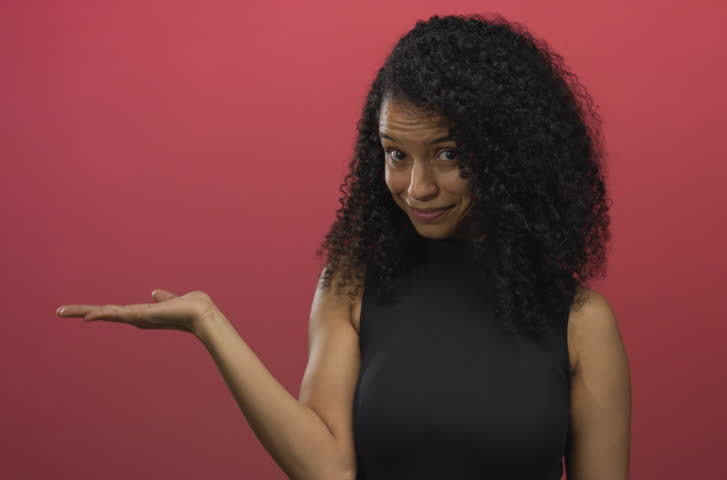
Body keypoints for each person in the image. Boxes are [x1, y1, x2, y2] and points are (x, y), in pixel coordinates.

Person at [56, 13, 631, 480]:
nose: (416, 187)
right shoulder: (353, 283)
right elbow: (328, 470)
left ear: (511, 157)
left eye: (449, 155)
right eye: (395, 153)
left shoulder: (581, 323)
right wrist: (209, 322)